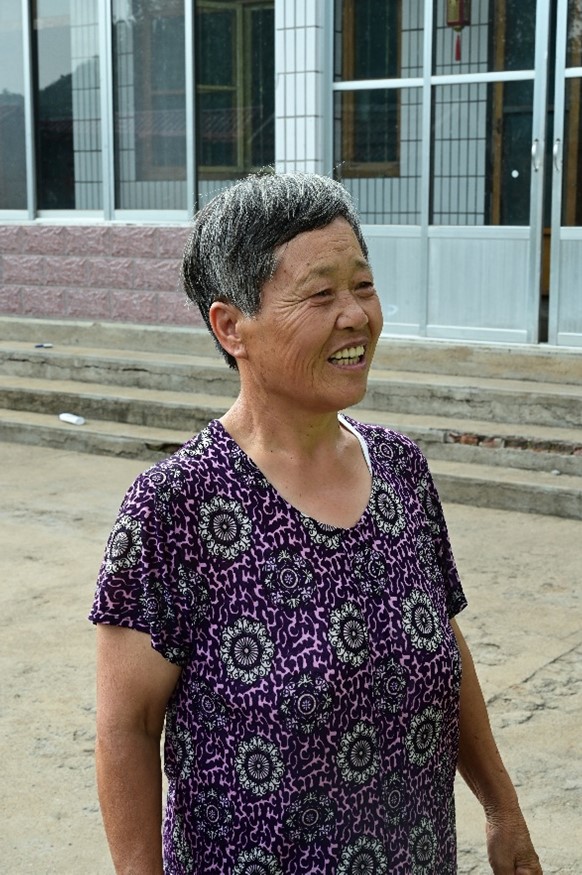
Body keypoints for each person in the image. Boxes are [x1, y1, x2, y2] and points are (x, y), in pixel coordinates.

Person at [90, 171, 542, 875]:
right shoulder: (176, 507)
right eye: (320, 294)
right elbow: (127, 728)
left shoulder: (399, 468)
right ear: (231, 326)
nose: (356, 315)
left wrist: (501, 809)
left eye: (363, 285)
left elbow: (444, 648)